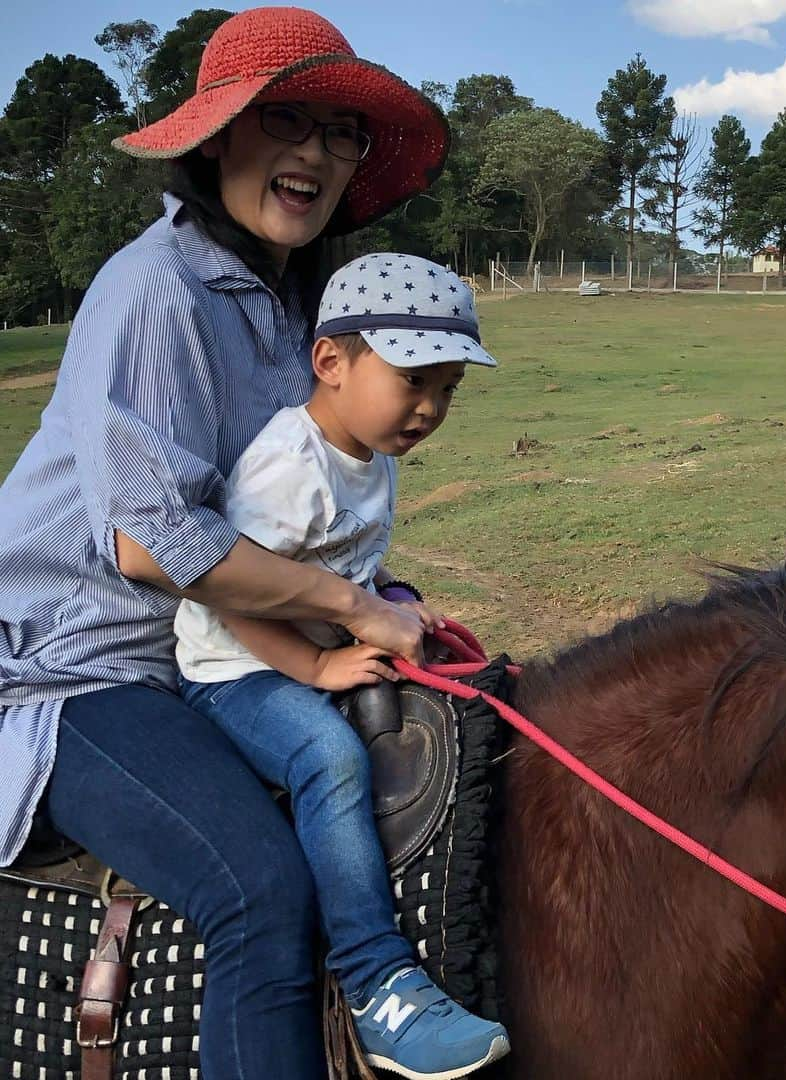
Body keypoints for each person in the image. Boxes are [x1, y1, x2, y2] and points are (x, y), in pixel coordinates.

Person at [0, 8, 472, 1078]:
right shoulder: (152, 293)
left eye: (340, 133)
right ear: (218, 137)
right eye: (284, 120)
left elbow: (289, 510)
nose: (314, 153)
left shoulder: (297, 300)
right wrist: (350, 611)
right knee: (260, 891)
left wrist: (381, 595)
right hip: (81, 663)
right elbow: (150, 547)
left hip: (214, 641)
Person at [173, 253, 508, 1078]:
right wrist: (317, 673)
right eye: (413, 381)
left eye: (448, 390)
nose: (429, 408)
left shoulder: (371, 453)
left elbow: (344, 570)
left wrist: (396, 596)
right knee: (327, 757)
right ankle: (375, 982)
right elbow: (229, 596)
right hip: (232, 669)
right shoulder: (291, 466)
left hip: (307, 642)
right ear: (331, 361)